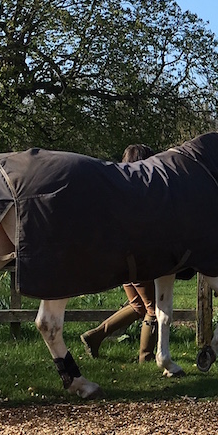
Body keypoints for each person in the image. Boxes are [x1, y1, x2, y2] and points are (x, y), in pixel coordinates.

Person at [80, 143, 160, 363]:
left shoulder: (114, 188)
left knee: (137, 306)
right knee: (153, 309)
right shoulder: (143, 192)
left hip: (119, 258)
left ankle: (95, 337)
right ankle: (146, 357)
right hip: (138, 257)